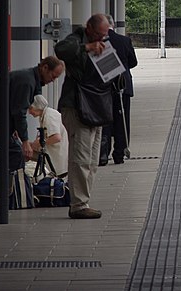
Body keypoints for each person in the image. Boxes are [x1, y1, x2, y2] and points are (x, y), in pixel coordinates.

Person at [55, 13, 113, 220]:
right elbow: (60, 50)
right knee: (80, 157)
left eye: (105, 35)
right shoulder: (76, 39)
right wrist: (87, 48)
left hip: (97, 107)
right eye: (98, 34)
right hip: (77, 106)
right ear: (89, 28)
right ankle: (78, 204)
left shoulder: (104, 43)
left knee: (92, 159)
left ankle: (84, 200)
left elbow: (112, 77)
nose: (101, 38)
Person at [0, 56, 65, 172]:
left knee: (15, 151)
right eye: (53, 76)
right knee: (16, 152)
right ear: (45, 68)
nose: (53, 80)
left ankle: (12, 184)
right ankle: (12, 187)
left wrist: (16, 131)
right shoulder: (27, 82)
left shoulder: (30, 79)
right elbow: (19, 112)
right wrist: (25, 141)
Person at [100, 15, 138, 165]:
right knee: (122, 120)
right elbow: (133, 62)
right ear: (113, 25)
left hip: (105, 87)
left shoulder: (99, 42)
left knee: (105, 120)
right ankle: (119, 154)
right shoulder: (124, 40)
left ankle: (103, 154)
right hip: (123, 85)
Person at [28, 94, 69, 178]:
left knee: (24, 152)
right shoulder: (46, 114)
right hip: (55, 155)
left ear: (36, 107)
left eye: (30, 109)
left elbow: (56, 137)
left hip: (58, 158)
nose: (29, 112)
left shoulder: (49, 116)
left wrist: (40, 142)